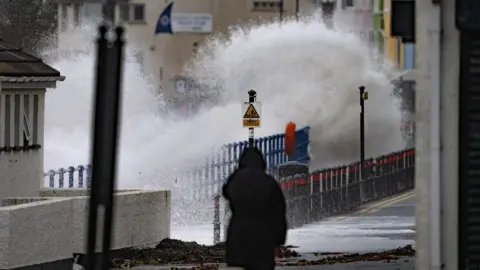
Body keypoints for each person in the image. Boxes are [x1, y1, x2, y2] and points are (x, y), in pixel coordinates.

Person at [222, 147, 287, 270]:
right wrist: (278, 242)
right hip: (263, 238)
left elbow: (226, 191)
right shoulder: (268, 182)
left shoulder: (236, 179)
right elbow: (279, 214)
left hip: (238, 236)